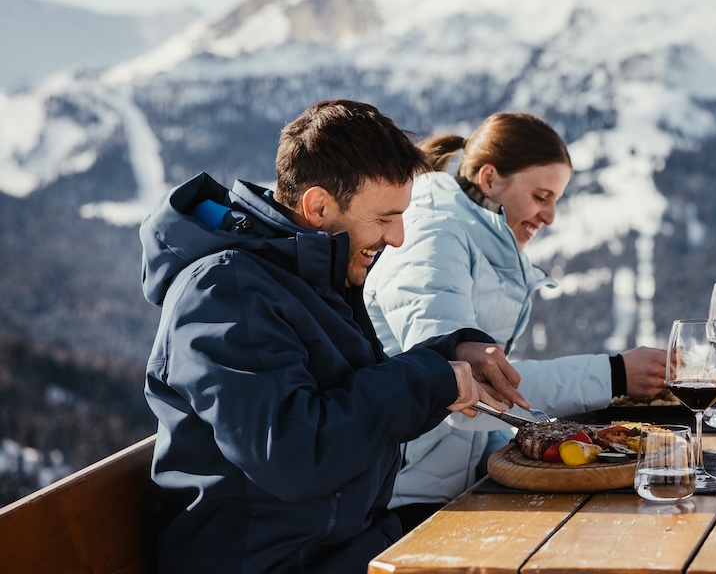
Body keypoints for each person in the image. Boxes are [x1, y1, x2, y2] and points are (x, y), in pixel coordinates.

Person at [141, 99, 529, 574]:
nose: (398, 238)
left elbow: (347, 397)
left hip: (338, 546)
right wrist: (430, 380)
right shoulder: (226, 293)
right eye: (385, 218)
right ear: (318, 205)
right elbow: (292, 454)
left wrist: (451, 353)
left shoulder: (310, 276)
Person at [364, 111, 667, 531]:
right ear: (489, 180)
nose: (550, 216)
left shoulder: (475, 238)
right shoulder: (432, 240)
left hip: (452, 480)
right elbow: (460, 392)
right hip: (400, 497)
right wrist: (614, 374)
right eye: (542, 196)